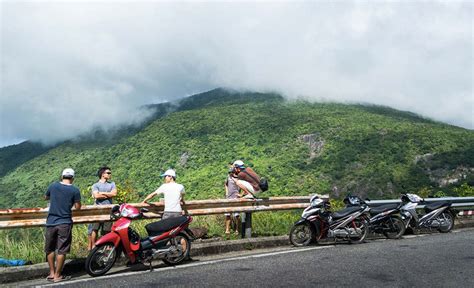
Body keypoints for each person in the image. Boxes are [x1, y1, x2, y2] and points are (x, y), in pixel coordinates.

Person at [44, 168, 81, 283]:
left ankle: (51, 273)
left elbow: (46, 197)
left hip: (51, 222)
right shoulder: (75, 190)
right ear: (73, 178)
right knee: (62, 250)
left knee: (50, 248)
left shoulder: (53, 186)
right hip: (64, 222)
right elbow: (78, 207)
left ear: (62, 176)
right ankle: (57, 275)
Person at [90, 166, 117, 249]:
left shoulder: (112, 184)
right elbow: (96, 196)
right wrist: (108, 194)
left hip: (109, 210)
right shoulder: (95, 185)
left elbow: (114, 194)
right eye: (108, 173)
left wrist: (102, 193)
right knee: (95, 229)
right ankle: (94, 247)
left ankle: (106, 247)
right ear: (102, 174)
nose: (110, 174)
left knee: (107, 230)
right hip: (97, 210)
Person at [225, 164, 241, 236]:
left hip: (236, 198)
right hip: (229, 198)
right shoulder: (228, 177)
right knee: (228, 215)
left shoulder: (240, 177)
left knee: (237, 215)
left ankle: (237, 230)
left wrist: (240, 194)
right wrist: (226, 193)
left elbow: (243, 186)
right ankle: (227, 230)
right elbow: (225, 184)